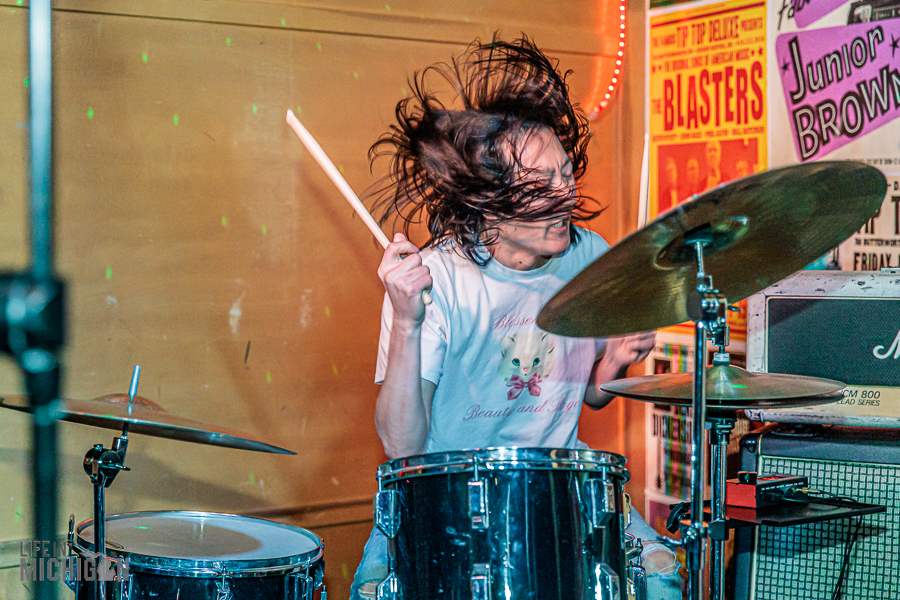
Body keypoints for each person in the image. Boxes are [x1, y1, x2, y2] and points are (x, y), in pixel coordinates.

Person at [353, 36, 681, 599]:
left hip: (562, 482)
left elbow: (588, 396)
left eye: (566, 173)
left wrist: (614, 362)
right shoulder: (438, 279)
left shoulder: (588, 256)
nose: (566, 193)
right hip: (451, 491)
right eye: (542, 182)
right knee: (375, 590)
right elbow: (403, 447)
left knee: (662, 573)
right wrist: (406, 322)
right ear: (488, 201)